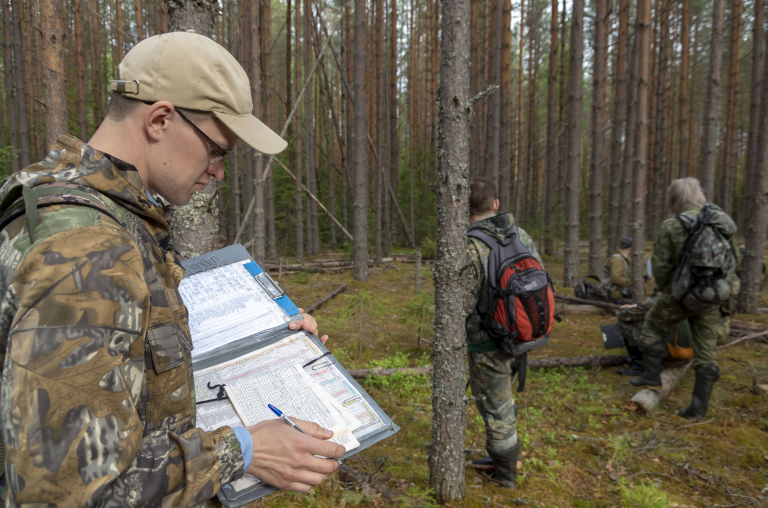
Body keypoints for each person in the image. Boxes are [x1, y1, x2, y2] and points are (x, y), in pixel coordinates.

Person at [0, 32, 344, 505]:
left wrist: (271, 352)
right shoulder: (89, 248)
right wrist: (241, 450)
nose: (219, 171)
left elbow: (130, 377)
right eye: (217, 150)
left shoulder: (72, 201)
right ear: (160, 119)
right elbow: (67, 492)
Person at [630, 177, 738, 420]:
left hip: (679, 296)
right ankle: (698, 409)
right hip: (711, 297)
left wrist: (670, 292)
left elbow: (660, 266)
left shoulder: (672, 225)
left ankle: (652, 377)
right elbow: (734, 262)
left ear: (674, 198)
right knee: (707, 353)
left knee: (651, 326)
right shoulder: (719, 223)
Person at [464, 177, 544, 489]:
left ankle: (507, 475)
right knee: (502, 402)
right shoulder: (520, 234)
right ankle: (503, 456)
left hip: (488, 343)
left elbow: (463, 304)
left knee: (496, 410)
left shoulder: (471, 246)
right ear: (495, 204)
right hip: (523, 334)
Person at [601, 237, 633, 301]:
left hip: (617, 288)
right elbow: (616, 279)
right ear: (631, 248)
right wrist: (631, 281)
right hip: (611, 290)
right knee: (636, 289)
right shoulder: (617, 259)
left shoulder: (622, 258)